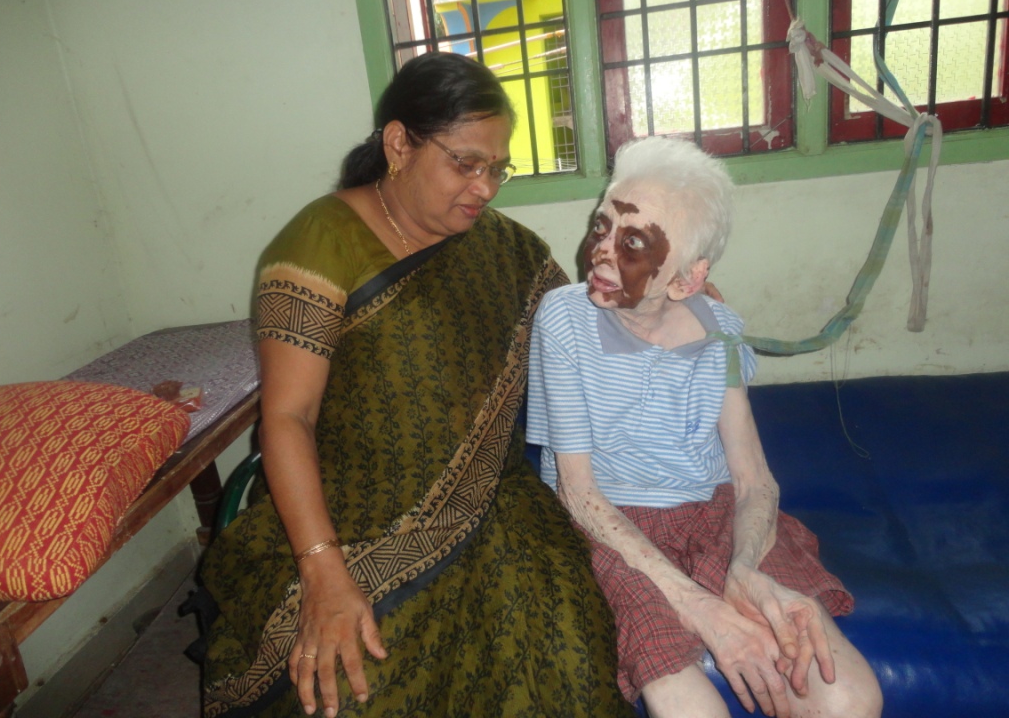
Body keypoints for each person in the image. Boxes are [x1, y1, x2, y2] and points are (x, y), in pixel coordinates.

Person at [198, 52, 633, 718]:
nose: (485, 188)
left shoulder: (505, 248)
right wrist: (323, 571)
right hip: (346, 514)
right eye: (466, 163)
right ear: (399, 144)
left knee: (563, 659)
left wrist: (668, 303)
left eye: (498, 168)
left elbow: (578, 329)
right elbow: (287, 418)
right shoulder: (320, 243)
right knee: (354, 689)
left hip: (493, 503)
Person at [526, 137, 883, 718]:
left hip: (714, 514)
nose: (600, 252)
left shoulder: (720, 330)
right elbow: (578, 493)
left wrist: (744, 569)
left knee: (850, 699)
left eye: (633, 242)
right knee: (691, 708)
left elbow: (754, 481)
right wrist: (703, 608)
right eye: (601, 227)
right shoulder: (563, 317)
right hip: (609, 526)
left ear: (687, 281)